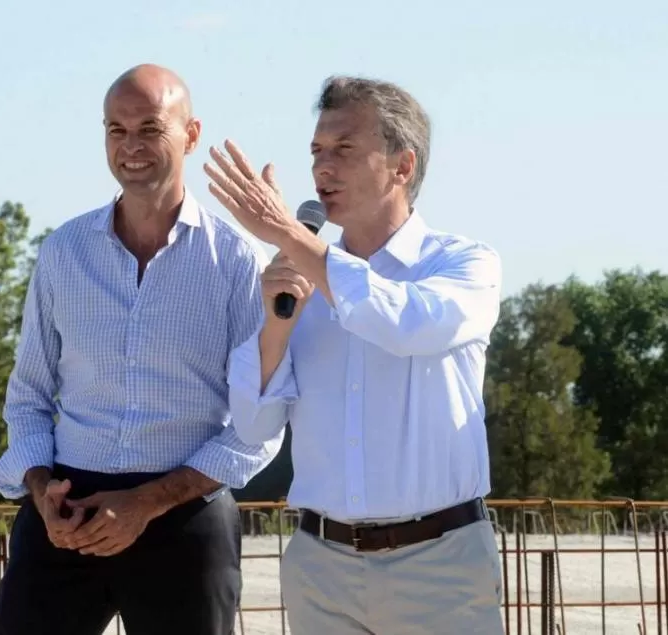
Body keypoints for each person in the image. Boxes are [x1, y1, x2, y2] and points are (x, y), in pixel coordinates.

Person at [203, 75, 505, 633]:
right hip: (323, 570)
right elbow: (253, 424)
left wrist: (294, 238)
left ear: (402, 166)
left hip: (440, 567)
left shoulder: (465, 265)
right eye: (317, 150)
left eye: (344, 149)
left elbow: (406, 322)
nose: (322, 168)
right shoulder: (296, 280)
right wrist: (275, 323)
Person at [0, 63, 280, 635]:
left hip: (185, 518)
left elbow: (259, 425)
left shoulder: (238, 262)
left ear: (191, 135)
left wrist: (147, 502)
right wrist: (41, 489)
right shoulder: (62, 252)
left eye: (150, 128)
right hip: (62, 518)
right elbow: (27, 397)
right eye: (116, 130)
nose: (131, 147)